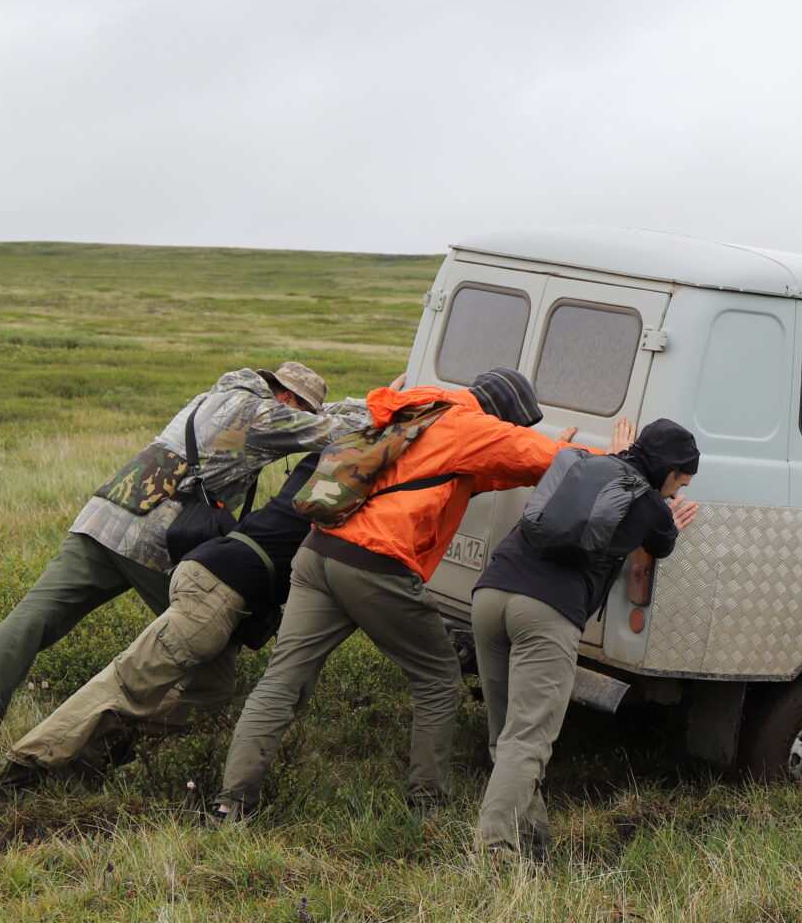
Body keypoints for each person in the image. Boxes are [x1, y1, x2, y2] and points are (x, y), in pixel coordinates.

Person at [206, 369, 618, 824]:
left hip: (318, 551)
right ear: (503, 417)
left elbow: (470, 476)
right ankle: (427, 808)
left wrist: (540, 459)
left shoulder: (419, 412)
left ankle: (232, 803)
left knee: (281, 681)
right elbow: (546, 457)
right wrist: (610, 459)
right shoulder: (473, 427)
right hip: (374, 564)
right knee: (439, 676)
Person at [0, 362, 363, 753]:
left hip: (104, 519)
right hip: (155, 540)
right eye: (303, 409)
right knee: (212, 656)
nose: (301, 418)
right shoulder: (259, 415)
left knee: (30, 621)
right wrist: (384, 404)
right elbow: (337, 432)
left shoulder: (213, 399)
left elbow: (301, 425)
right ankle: (96, 750)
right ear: (286, 398)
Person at [0, 450, 341, 803]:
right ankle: (24, 767)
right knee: (130, 682)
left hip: (212, 578)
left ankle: (93, 753)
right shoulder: (346, 471)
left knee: (210, 692)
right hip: (215, 589)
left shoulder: (326, 462)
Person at [470, 419, 701, 861]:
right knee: (528, 740)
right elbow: (663, 544)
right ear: (668, 471)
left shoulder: (584, 464)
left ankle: (534, 845)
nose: (674, 492)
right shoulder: (651, 504)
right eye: (678, 483)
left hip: (491, 593)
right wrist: (668, 516)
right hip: (545, 611)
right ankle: (493, 854)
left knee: (506, 735)